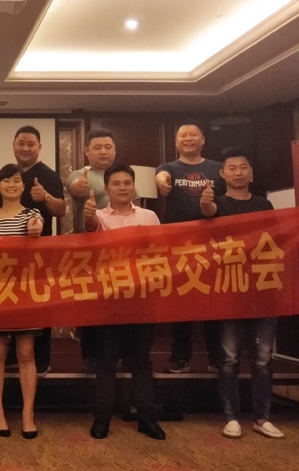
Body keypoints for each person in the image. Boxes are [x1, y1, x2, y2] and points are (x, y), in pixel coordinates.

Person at [200, 147, 284, 440]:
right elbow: (208, 214)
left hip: (262, 290)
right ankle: (232, 418)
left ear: (251, 173)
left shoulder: (264, 205)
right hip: (230, 290)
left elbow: (279, 240)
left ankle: (263, 418)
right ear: (222, 174)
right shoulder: (218, 204)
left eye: (243, 167)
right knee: (230, 358)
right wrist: (206, 204)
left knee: (262, 360)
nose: (238, 173)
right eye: (232, 168)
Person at [84, 163, 167, 441]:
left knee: (141, 361)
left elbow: (159, 252)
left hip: (141, 299)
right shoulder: (98, 216)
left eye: (127, 183)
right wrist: (88, 217)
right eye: (116, 183)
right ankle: (102, 419)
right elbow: (89, 231)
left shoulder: (148, 216)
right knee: (107, 360)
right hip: (109, 300)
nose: (122, 188)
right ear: (106, 188)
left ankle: (146, 418)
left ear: (134, 186)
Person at [155, 119, 225, 374]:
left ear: (202, 140)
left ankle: (216, 357)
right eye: (183, 135)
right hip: (178, 246)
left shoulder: (218, 169)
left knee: (212, 301)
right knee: (181, 301)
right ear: (176, 142)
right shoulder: (169, 168)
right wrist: (162, 182)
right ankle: (180, 356)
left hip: (212, 244)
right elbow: (161, 178)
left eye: (193, 134)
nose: (188, 139)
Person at [0, 164, 43, 439]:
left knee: (26, 353)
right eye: (6, 181)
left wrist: (34, 231)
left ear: (23, 186)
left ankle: (28, 414)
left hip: (26, 291)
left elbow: (36, 231)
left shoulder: (33, 214)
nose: (11, 185)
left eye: (16, 180)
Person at [65, 128, 132, 373]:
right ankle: (90, 355)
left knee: (122, 303)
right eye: (97, 147)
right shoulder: (81, 174)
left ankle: (123, 353)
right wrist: (79, 187)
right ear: (86, 151)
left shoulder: (123, 176)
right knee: (90, 305)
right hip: (90, 253)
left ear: (114, 150)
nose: (103, 152)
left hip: (122, 254)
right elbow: (74, 187)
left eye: (107, 147)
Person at [12, 125, 65, 376]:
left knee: (40, 304)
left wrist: (45, 197)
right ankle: (13, 356)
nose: (25, 148)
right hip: (12, 254)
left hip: (40, 254)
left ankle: (42, 360)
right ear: (13, 145)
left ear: (39, 147)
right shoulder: (10, 174)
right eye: (21, 143)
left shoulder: (48, 175)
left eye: (31, 144)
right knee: (14, 303)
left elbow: (61, 210)